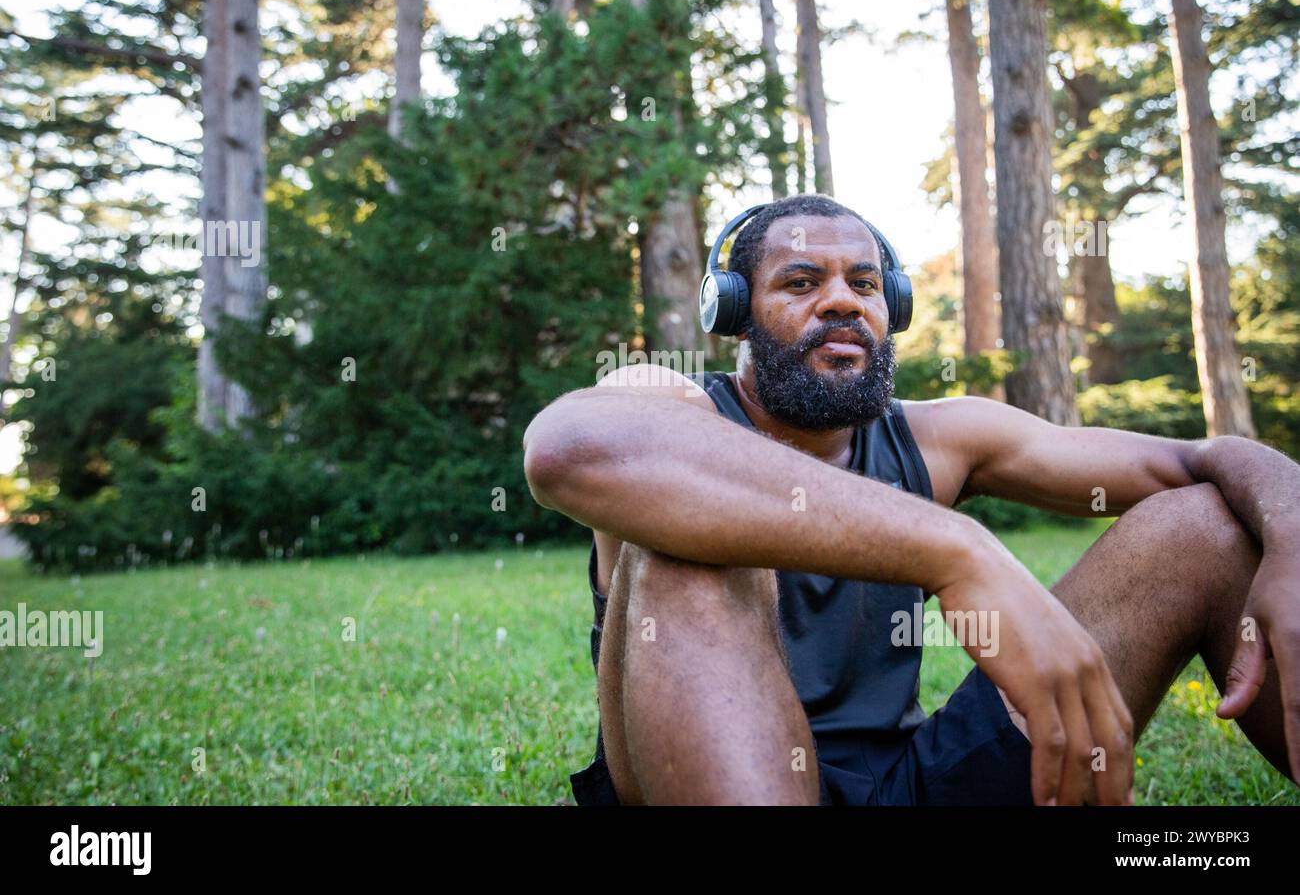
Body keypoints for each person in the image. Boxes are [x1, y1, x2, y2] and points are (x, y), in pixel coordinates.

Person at [521, 193, 1300, 805]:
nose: (841, 302)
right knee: (686, 538)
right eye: (800, 282)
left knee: (1204, 523)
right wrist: (960, 552)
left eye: (864, 284)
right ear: (733, 313)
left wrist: (1293, 538)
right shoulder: (671, 407)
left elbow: (1201, 461)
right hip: (693, 779)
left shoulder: (940, 437)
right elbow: (571, 447)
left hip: (911, 786)